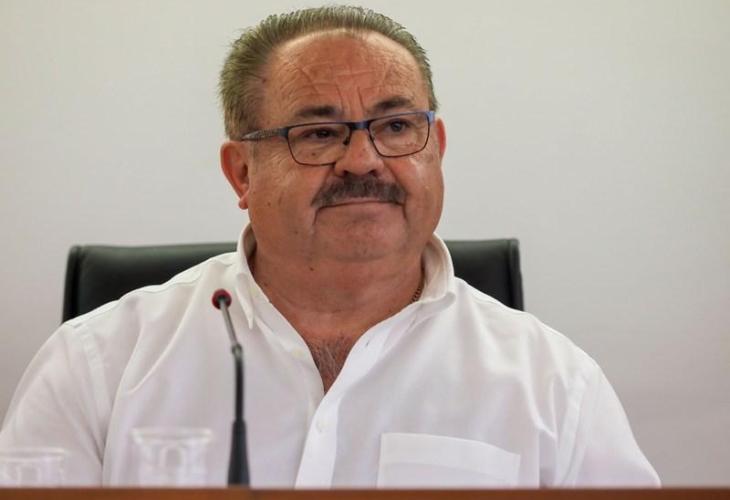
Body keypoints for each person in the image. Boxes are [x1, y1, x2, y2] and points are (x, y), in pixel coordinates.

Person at [0, 5, 659, 488]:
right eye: (318, 134)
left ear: (436, 149)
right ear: (242, 173)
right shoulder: (99, 366)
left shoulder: (553, 384)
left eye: (396, 126)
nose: (363, 160)